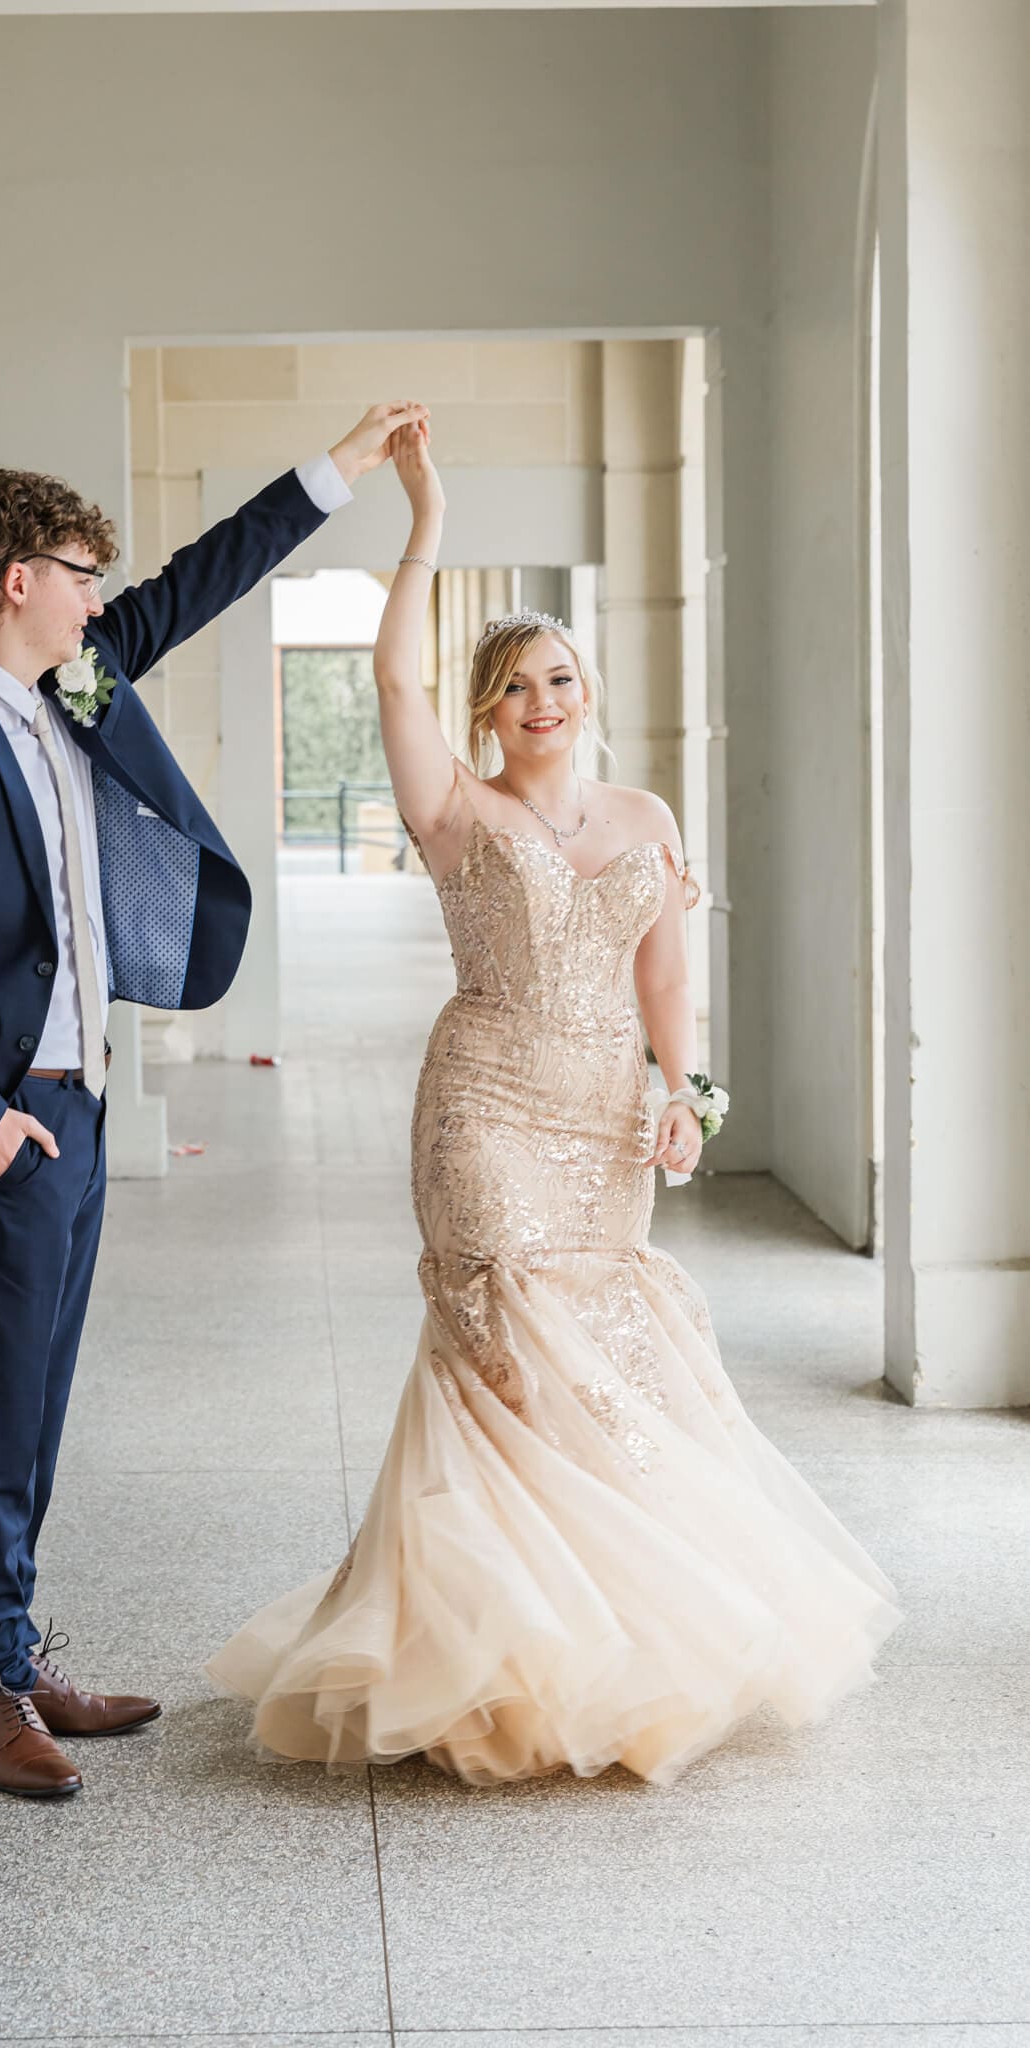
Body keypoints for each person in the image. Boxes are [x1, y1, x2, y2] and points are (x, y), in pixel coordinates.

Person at [207, 419, 901, 1786]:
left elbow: (665, 978)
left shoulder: (646, 818)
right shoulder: (455, 808)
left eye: (561, 676)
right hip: (482, 1106)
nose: (543, 699)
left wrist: (683, 1095)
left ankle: (599, 1642)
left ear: (589, 690)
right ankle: (482, 1652)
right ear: (486, 708)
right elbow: (391, 676)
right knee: (506, 1337)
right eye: (518, 683)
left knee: (601, 1348)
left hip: (597, 1121)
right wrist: (424, 522)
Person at [0, 401, 429, 1798]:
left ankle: (10, 1647)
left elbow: (195, 583)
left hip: (83, 1099)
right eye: (81, 572)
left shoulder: (73, 685)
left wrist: (334, 472)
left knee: (33, 1402)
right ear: (14, 580)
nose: (102, 595)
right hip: (3, 1119)